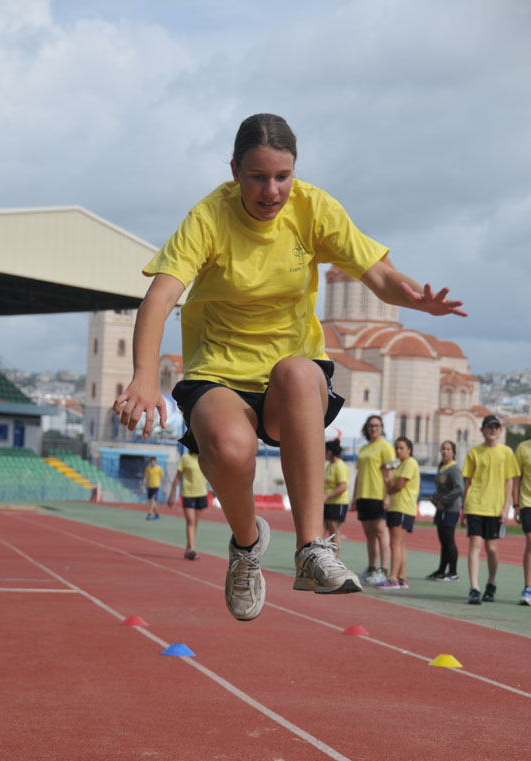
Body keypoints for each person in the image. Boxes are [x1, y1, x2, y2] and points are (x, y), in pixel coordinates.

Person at [112, 112, 466, 622]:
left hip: (288, 377)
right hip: (218, 371)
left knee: (298, 372)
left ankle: (311, 549)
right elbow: (160, 297)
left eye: (282, 176)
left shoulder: (313, 208)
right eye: (257, 176)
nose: (271, 190)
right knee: (231, 451)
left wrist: (418, 302)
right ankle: (246, 545)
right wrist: (145, 376)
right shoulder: (209, 217)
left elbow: (380, 277)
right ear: (235, 170)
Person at [461, 414, 520, 605]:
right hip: (475, 504)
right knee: (475, 544)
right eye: (489, 427)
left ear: (500, 430)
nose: (492, 430)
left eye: (496, 427)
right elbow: (468, 481)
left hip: (495, 507)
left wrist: (507, 507)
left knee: (492, 548)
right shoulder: (474, 453)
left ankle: (491, 583)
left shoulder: (506, 453)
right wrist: (463, 508)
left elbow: (509, 480)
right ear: (482, 430)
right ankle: (474, 589)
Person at [350, 415, 395, 585]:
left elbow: (390, 473)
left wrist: (388, 495)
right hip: (364, 494)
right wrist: (354, 497)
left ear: (382, 428)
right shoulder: (364, 449)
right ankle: (371, 567)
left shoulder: (386, 447)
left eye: (377, 426)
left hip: (378, 494)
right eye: (370, 426)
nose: (373, 429)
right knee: (369, 535)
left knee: (381, 532)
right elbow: (359, 474)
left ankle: (383, 569)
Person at [376, 436, 419, 590]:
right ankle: (401, 577)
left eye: (401, 448)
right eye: (397, 448)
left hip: (402, 507)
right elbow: (391, 486)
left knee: (395, 543)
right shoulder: (400, 464)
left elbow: (398, 486)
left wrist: (389, 487)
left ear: (409, 449)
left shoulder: (409, 463)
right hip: (398, 506)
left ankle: (393, 577)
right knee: (399, 544)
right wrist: (385, 474)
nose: (398, 451)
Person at [426, 440, 463, 582]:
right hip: (441, 509)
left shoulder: (454, 469)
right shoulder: (442, 466)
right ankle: (441, 570)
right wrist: (435, 498)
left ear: (453, 452)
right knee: (443, 541)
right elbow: (441, 488)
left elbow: (459, 489)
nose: (445, 451)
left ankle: (453, 572)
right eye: (443, 449)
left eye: (448, 449)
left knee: (449, 540)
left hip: (450, 509)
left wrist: (443, 501)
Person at [167, 451, 208, 560]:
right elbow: (177, 477)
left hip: (201, 493)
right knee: (190, 521)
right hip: (188, 493)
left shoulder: (204, 457)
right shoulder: (185, 458)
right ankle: (192, 549)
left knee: (195, 523)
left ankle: (188, 549)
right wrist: (171, 495)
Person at [513, 437, 531, 606]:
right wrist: (516, 505)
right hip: (528, 503)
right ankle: (528, 588)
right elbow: (516, 478)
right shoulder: (523, 447)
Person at [323, 439, 349, 546]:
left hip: (337, 503)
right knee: (322, 529)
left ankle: (335, 558)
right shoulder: (329, 466)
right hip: (327, 503)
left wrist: (327, 496)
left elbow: (343, 486)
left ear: (329, 452)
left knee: (334, 531)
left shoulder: (339, 466)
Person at [141, 455, 164, 520]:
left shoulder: (159, 468)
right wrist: (143, 485)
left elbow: (162, 478)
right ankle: (157, 514)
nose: (152, 463)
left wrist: (164, 488)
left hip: (156, 486)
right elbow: (145, 477)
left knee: (152, 500)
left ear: (155, 462)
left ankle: (149, 514)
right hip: (150, 486)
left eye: (153, 462)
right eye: (151, 462)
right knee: (153, 502)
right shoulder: (148, 468)